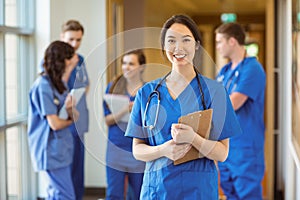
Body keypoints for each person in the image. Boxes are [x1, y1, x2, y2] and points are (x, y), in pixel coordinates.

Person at [124, 14, 242, 199]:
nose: (178, 48)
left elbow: (222, 153)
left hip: (198, 191)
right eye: (171, 41)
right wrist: (162, 150)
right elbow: (137, 150)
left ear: (196, 44)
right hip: (157, 190)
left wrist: (194, 138)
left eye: (185, 40)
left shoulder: (216, 92)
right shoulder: (146, 93)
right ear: (164, 46)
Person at [215, 22, 266, 199]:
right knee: (229, 193)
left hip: (245, 148)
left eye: (219, 42)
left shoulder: (252, 69)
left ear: (232, 41)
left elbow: (232, 103)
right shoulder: (225, 70)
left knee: (247, 194)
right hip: (227, 146)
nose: (217, 47)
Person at [40, 19, 89, 200]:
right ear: (62, 37)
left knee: (75, 173)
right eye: (71, 39)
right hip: (59, 131)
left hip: (74, 125)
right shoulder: (47, 71)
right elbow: (52, 114)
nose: (75, 45)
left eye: (78, 40)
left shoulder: (80, 60)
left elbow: (85, 85)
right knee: (61, 185)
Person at [27, 41, 79, 199]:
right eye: (70, 64)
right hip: (50, 150)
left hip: (60, 150)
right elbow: (55, 124)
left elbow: (74, 116)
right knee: (65, 196)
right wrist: (70, 120)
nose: (71, 69)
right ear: (62, 62)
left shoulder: (59, 84)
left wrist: (70, 110)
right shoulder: (43, 86)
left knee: (56, 194)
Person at [103, 49, 146, 199]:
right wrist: (125, 109)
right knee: (114, 193)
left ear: (141, 67)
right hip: (116, 148)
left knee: (140, 193)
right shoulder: (113, 88)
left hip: (138, 149)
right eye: (124, 63)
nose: (126, 67)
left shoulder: (148, 91)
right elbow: (107, 120)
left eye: (131, 64)